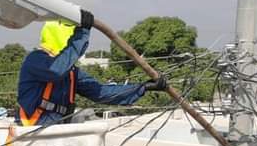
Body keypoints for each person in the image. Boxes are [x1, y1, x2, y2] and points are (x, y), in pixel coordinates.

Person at [17, 10, 167, 126]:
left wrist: (143, 88)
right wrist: (81, 34)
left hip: (58, 128)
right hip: (31, 129)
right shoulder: (35, 60)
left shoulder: (71, 72)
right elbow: (56, 71)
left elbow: (101, 92)